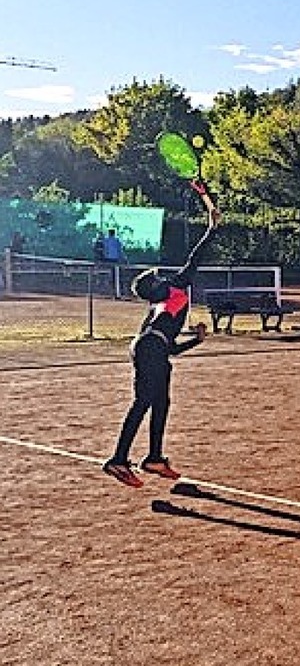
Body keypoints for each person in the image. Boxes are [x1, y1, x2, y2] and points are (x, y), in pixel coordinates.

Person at [103, 180, 220, 488]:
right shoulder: (174, 288)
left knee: (160, 402)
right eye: (156, 276)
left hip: (149, 349)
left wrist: (197, 339)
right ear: (156, 287)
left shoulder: (160, 307)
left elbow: (165, 348)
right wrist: (210, 214)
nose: (161, 274)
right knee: (144, 402)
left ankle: (154, 457)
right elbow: (199, 252)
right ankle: (117, 461)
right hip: (149, 349)